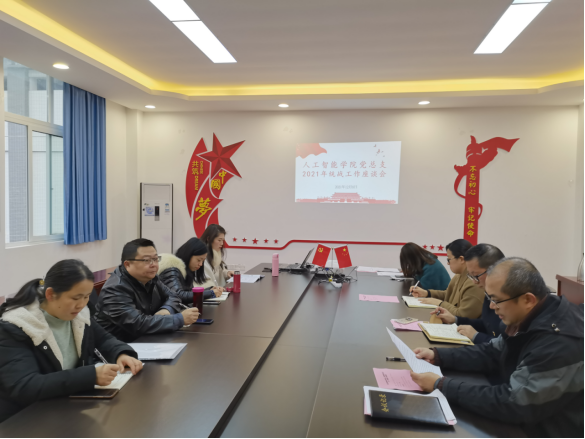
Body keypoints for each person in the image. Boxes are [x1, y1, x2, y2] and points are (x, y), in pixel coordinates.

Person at [411, 258, 584, 438]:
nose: (491, 306)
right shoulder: (530, 316)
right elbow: (493, 351)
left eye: (496, 300)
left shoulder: (560, 341)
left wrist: (442, 385)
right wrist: (439, 355)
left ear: (527, 300)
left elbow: (515, 403)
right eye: (489, 298)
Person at [0, 260, 143, 424]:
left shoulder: (78, 315)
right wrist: (90, 376)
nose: (82, 305)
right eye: (76, 298)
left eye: (86, 297)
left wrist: (121, 353)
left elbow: (103, 339)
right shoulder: (16, 327)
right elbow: (25, 386)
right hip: (23, 418)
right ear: (50, 294)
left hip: (64, 407)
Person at [95, 239, 200, 342]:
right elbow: (137, 324)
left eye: (155, 259)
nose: (153, 264)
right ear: (127, 264)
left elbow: (173, 296)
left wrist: (166, 309)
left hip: (146, 340)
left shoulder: (151, 278)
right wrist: (179, 319)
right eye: (146, 260)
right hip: (120, 347)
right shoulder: (115, 289)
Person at [432, 243, 505, 343]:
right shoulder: (488, 292)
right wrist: (455, 320)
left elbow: (505, 346)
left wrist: (476, 336)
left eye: (476, 275)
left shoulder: (510, 298)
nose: (474, 281)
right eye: (471, 276)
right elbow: (487, 324)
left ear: (495, 271)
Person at [410, 239, 484, 318]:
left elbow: (463, 315)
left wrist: (440, 303)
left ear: (461, 259)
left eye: (449, 259)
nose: (448, 263)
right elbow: (448, 294)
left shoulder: (473, 282)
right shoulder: (459, 275)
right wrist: (427, 293)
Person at [158, 238, 224, 304]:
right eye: (199, 260)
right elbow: (178, 295)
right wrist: (210, 293)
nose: (201, 264)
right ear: (189, 255)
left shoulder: (187, 270)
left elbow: (187, 292)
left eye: (202, 261)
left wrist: (209, 290)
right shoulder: (171, 269)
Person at [200, 224, 234, 288]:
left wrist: (227, 273)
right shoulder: (202, 258)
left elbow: (219, 271)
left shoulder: (215, 253)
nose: (222, 243)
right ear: (208, 239)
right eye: (219, 240)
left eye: (223, 240)